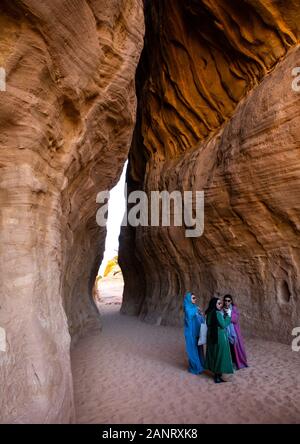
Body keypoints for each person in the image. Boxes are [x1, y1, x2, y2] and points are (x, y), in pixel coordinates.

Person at [205, 297, 234, 383]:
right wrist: (228, 316)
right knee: (220, 355)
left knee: (214, 354)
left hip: (211, 336)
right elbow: (223, 325)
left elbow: (209, 323)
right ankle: (217, 376)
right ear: (214, 304)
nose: (221, 305)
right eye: (219, 303)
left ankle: (216, 374)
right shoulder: (217, 313)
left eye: (220, 303)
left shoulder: (209, 313)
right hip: (219, 336)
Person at [223, 295, 248, 369]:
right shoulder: (222, 309)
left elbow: (235, 319)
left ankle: (235, 363)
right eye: (225, 300)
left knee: (235, 347)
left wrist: (229, 313)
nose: (227, 302)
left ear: (231, 301)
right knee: (228, 348)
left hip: (234, 332)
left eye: (228, 300)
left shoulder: (234, 308)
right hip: (225, 331)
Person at [183, 292, 205, 375]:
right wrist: (196, 310)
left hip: (197, 332)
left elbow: (200, 319)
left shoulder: (195, 307)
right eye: (193, 298)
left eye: (195, 298)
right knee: (192, 350)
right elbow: (189, 315)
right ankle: (196, 367)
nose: (195, 299)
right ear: (189, 299)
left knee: (199, 349)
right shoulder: (187, 307)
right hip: (190, 333)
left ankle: (201, 366)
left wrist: (200, 314)